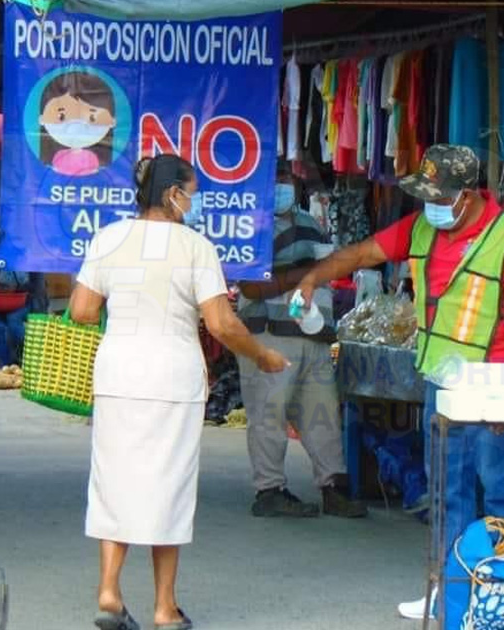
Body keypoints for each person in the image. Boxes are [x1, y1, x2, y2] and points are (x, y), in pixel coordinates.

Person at [294, 145, 504, 620]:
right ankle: (447, 592)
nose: (429, 203)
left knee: (499, 490)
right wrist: (313, 278)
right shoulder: (423, 226)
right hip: (441, 386)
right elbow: (365, 252)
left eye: (438, 195)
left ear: (467, 196)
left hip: (492, 388)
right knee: (445, 490)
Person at [69, 154, 288, 630]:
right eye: (192, 191)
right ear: (173, 195)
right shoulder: (195, 247)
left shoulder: (108, 239)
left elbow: (83, 310)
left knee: (115, 481)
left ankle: (108, 591)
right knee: (168, 489)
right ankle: (164, 608)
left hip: (118, 377)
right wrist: (262, 356)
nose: (196, 201)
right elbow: (222, 324)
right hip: (171, 378)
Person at [235, 167, 367, 519]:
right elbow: (251, 287)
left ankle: (333, 486)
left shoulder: (309, 221)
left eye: (287, 179)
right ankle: (269, 490)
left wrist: (321, 271)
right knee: (268, 413)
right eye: (275, 178)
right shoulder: (249, 222)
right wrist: (311, 273)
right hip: (269, 334)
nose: (283, 185)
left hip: (314, 333)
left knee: (323, 415)